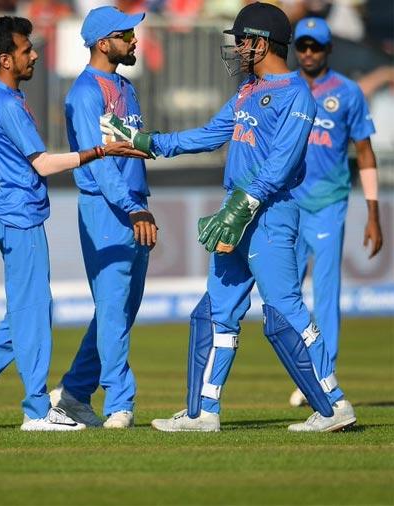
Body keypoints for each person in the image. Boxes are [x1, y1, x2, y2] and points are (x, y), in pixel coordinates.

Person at [102, 2, 356, 432]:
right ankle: (204, 413)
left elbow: (282, 162)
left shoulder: (297, 95)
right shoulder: (245, 92)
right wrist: (146, 141)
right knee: (215, 312)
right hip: (234, 213)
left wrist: (244, 206)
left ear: (260, 43)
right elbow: (204, 135)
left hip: (270, 215)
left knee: (284, 311)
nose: (236, 49)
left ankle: (333, 405)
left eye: (241, 41)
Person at [0, 16, 147, 432]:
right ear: (5, 59)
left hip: (6, 209)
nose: (34, 54)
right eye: (25, 50)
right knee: (34, 312)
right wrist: (94, 154)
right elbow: (45, 164)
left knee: (27, 309)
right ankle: (36, 410)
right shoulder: (8, 104)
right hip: (18, 214)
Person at [49, 6, 157, 430]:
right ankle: (119, 403)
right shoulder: (84, 93)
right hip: (107, 208)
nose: (134, 41)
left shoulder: (125, 86)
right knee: (113, 308)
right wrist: (133, 209)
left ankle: (75, 393)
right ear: (101, 42)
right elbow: (97, 165)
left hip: (134, 203)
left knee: (122, 309)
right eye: (126, 34)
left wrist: (139, 201)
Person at [288, 17, 383, 408]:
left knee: (326, 294)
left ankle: (323, 374)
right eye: (303, 45)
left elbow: (365, 153)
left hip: (328, 204)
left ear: (328, 50)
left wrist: (373, 214)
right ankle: (302, 371)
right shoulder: (284, 87)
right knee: (284, 295)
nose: (309, 53)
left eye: (316, 46)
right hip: (286, 204)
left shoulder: (348, 92)